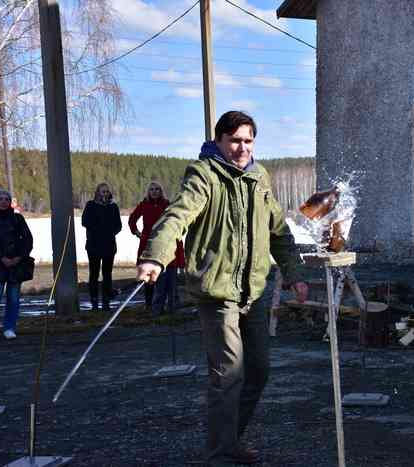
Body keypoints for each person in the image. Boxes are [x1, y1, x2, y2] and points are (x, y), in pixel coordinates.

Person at [136, 111, 308, 466]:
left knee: (259, 370)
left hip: (255, 291)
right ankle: (219, 453)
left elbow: (279, 231)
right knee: (228, 370)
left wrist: (294, 272)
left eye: (248, 140)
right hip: (217, 292)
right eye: (234, 141)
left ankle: (230, 440)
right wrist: (156, 256)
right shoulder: (204, 175)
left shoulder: (260, 178)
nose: (242, 147)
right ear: (219, 141)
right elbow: (177, 216)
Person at [0, 190, 33, 343]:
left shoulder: (17, 218)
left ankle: (9, 327)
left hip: (16, 264)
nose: (3, 201)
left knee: (14, 298)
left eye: (6, 199)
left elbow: (27, 239)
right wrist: (1, 258)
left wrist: (19, 257)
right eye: (0, 199)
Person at [128, 181, 185, 314]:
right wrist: (137, 233)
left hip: (165, 241)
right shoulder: (144, 204)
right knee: (148, 276)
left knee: (168, 278)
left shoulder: (166, 204)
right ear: (148, 192)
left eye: (157, 189)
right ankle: (150, 305)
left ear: (161, 191)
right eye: (152, 189)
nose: (154, 191)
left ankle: (171, 307)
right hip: (148, 242)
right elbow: (132, 219)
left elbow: (175, 221)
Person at [82, 183, 122, 312]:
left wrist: (110, 232)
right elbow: (85, 221)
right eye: (102, 192)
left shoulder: (113, 207)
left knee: (107, 274)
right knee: (94, 274)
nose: (104, 194)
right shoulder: (91, 205)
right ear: (97, 193)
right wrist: (97, 230)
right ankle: (94, 302)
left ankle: (106, 301)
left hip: (109, 245)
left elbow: (118, 225)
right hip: (94, 245)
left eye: (106, 192)